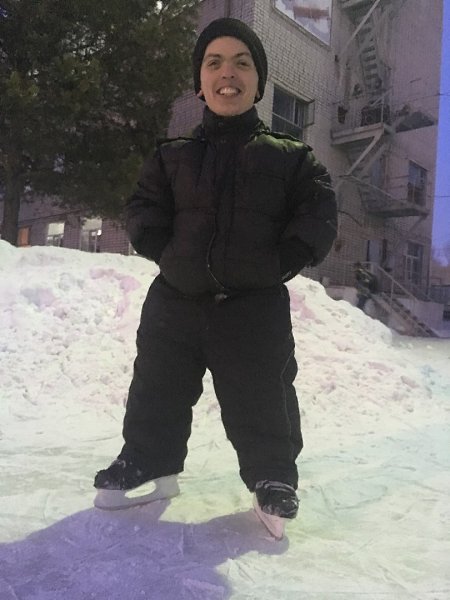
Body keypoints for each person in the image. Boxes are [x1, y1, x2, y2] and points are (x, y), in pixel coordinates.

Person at [94, 18, 337, 530]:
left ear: (258, 82)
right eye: (214, 63)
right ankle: (148, 460)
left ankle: (273, 476)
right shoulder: (171, 156)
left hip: (253, 306)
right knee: (157, 385)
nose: (228, 73)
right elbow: (143, 208)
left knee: (263, 392)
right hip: (176, 298)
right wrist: (165, 253)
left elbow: (317, 214)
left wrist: (280, 263)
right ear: (200, 82)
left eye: (242, 63)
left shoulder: (291, 158)